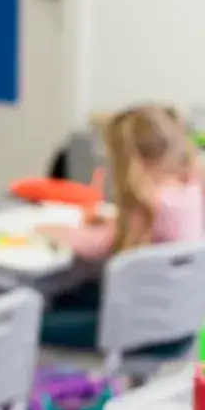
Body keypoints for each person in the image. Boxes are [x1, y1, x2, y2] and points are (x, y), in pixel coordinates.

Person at [37, 104, 204, 350]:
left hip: (139, 332)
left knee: (32, 322)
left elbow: (100, 245)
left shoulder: (147, 201)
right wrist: (114, 224)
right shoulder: (189, 190)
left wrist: (54, 233)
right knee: (74, 294)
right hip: (180, 326)